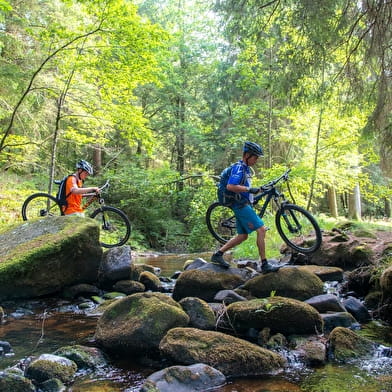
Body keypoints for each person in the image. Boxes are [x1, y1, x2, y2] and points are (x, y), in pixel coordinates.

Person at [211, 141, 280, 273]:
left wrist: (254, 192)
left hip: (241, 203)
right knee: (261, 230)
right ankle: (265, 265)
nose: (257, 160)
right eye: (255, 157)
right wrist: (250, 189)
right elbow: (230, 186)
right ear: (247, 155)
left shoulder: (245, 168)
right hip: (239, 205)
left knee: (243, 236)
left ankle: (217, 255)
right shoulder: (239, 168)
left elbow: (245, 187)